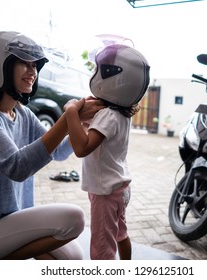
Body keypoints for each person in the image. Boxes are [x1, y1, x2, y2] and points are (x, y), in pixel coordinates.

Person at [0, 31, 104, 260]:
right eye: (24, 63)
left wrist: (80, 123)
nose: (32, 71)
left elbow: (60, 152)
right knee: (74, 219)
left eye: (35, 65)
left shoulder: (22, 114)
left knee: (73, 257)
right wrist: (67, 117)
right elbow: (17, 167)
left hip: (10, 221)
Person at [64, 43, 150, 259]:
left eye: (97, 70)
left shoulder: (108, 115)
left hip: (105, 193)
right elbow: (95, 138)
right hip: (119, 187)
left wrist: (71, 111)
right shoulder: (121, 114)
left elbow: (82, 148)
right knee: (121, 233)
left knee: (102, 248)